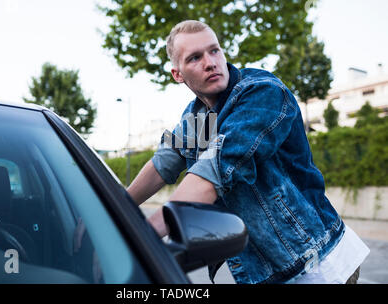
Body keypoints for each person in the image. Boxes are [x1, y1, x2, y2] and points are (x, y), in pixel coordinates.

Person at [126, 20, 369, 284]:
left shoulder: (262, 93)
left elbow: (213, 172)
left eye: (214, 50)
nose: (210, 62)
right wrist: (113, 208)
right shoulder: (198, 116)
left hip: (319, 264)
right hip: (268, 273)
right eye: (195, 58)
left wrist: (141, 240)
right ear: (178, 74)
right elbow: (163, 165)